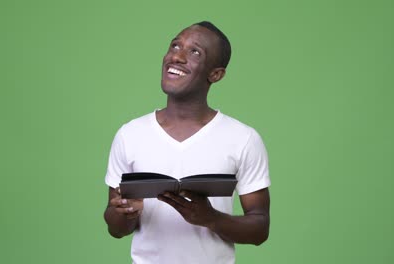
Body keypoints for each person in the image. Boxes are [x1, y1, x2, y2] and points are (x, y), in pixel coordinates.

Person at [103, 21, 271, 264]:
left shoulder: (243, 139)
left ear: (216, 74)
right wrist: (124, 214)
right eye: (175, 45)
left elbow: (260, 228)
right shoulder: (130, 134)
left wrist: (210, 218)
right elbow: (116, 229)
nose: (177, 56)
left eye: (194, 52)